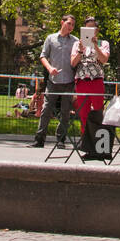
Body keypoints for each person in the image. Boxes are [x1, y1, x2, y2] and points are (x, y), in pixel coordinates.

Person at [30, 15, 77, 148]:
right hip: (53, 81)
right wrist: (50, 68)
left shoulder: (75, 41)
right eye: (69, 23)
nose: (71, 27)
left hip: (68, 81)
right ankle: (39, 139)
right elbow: (43, 56)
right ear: (62, 22)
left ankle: (61, 140)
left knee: (65, 112)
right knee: (46, 110)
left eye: (73, 25)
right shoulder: (51, 38)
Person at [71, 16, 110, 160]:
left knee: (98, 113)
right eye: (87, 28)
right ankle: (86, 145)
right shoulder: (77, 44)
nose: (90, 31)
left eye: (93, 28)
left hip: (96, 81)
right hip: (82, 81)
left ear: (97, 30)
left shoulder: (103, 43)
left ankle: (100, 147)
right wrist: (81, 51)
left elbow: (104, 59)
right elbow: (73, 63)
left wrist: (95, 45)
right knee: (83, 114)